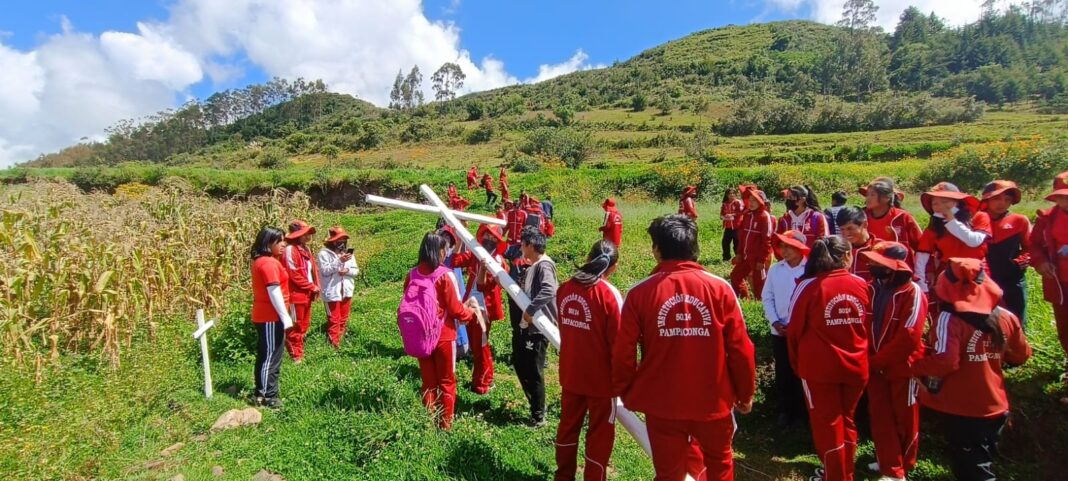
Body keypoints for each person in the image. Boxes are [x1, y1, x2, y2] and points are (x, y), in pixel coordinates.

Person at [613, 214, 756, 481]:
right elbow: (741, 349)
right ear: (694, 247)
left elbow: (623, 352)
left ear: (657, 249)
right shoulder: (720, 288)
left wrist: (627, 391)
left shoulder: (640, 292)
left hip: (663, 404)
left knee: (668, 474)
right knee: (721, 467)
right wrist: (745, 393)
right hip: (714, 401)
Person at [912, 257, 1032, 481]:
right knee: (980, 459)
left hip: (963, 407)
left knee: (973, 470)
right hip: (996, 405)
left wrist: (915, 367)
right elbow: (1021, 355)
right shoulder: (1006, 317)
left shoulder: (949, 319)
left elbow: (946, 361)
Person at [787, 236, 869, 481]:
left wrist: (798, 365)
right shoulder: (862, 284)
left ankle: (835, 476)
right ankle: (845, 472)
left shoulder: (809, 286)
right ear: (846, 256)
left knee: (828, 425)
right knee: (847, 420)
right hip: (856, 367)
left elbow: (794, 332)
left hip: (819, 370)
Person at [554, 240, 623, 481]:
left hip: (571, 373)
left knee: (567, 429)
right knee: (599, 437)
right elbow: (619, 344)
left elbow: (563, 327)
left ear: (588, 256)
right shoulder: (609, 295)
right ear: (613, 267)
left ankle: (563, 476)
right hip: (602, 382)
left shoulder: (564, 288)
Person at [860, 242, 927, 481]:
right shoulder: (871, 288)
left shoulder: (912, 292)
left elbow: (910, 335)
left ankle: (902, 467)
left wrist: (877, 360)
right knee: (880, 415)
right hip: (874, 366)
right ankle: (890, 463)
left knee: (904, 417)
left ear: (894, 267)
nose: (872, 266)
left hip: (901, 367)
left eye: (877, 263)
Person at [403, 231, 482, 430]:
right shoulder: (444, 275)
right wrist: (471, 313)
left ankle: (428, 423)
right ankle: (445, 426)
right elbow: (456, 310)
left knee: (428, 382)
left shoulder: (412, 274)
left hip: (420, 335)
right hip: (443, 336)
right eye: (444, 250)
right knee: (446, 381)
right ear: (439, 251)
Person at [762, 230, 810, 428]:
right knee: (783, 371)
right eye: (782, 246)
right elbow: (767, 297)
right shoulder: (775, 269)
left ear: (800, 249)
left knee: (802, 372)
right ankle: (784, 411)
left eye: (789, 246)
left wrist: (796, 326)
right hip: (779, 331)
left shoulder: (809, 270)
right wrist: (774, 321)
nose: (784, 250)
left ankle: (802, 413)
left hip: (802, 333)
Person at [450, 232, 508, 395]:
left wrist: (483, 268)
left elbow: (483, 285)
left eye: (493, 238)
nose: (489, 240)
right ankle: (485, 379)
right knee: (477, 346)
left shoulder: (497, 262)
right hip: (470, 307)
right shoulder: (476, 255)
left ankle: (482, 383)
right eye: (486, 236)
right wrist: (460, 237)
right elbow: (455, 261)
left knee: (480, 345)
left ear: (498, 242)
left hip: (483, 311)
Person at [512, 226, 558, 426]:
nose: (521, 247)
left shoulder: (544, 265)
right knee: (522, 364)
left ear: (530, 245)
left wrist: (530, 311)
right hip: (529, 327)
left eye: (523, 244)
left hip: (539, 329)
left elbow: (549, 289)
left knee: (534, 371)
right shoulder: (533, 266)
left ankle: (538, 415)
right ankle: (536, 406)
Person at [1029, 171, 1068, 404]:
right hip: (1059, 282)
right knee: (1065, 328)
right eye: (1063, 197)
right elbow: (1034, 245)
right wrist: (1041, 261)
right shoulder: (1047, 219)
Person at [915, 182, 991, 296]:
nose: (940, 207)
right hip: (948, 274)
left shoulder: (980, 217)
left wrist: (951, 221)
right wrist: (921, 282)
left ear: (958, 202)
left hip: (976, 272)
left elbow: (974, 241)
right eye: (935, 203)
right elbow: (922, 255)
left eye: (945, 202)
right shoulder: (934, 226)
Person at [250, 227, 294, 409]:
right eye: (280, 241)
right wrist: (285, 317)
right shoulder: (268, 263)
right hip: (270, 315)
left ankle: (260, 392)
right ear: (268, 242)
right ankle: (269, 396)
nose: (284, 244)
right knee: (271, 356)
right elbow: (273, 290)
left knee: (266, 354)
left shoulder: (263, 261)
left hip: (267, 314)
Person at [981, 180, 1031, 328]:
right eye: (996, 198)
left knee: (1016, 320)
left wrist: (1021, 261)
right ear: (986, 199)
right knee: (986, 321)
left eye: (1007, 199)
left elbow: (1030, 246)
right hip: (983, 278)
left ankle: (1018, 349)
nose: (1002, 203)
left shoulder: (1019, 221)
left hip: (1013, 278)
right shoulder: (975, 220)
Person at [861, 178, 922, 267]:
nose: (867, 198)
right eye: (867, 195)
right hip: (871, 266)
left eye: (872, 195)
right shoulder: (861, 217)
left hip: (899, 267)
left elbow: (921, 245)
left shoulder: (902, 216)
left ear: (886, 198)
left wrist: (927, 269)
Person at [283, 220, 321, 363]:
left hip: (307, 293)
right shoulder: (290, 250)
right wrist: (312, 286)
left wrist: (315, 287)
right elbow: (294, 274)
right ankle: (295, 356)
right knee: (295, 324)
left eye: (308, 234)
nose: (308, 236)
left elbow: (313, 270)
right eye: (304, 234)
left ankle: (300, 352)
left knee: (304, 324)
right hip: (295, 294)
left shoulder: (306, 249)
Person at [317, 226, 359, 349]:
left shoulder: (348, 254)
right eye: (339, 240)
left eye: (343, 239)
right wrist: (339, 261)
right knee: (334, 319)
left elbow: (356, 271)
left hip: (346, 291)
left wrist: (347, 270)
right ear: (332, 241)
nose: (342, 242)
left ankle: (340, 340)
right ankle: (333, 345)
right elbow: (324, 271)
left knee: (344, 318)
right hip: (332, 292)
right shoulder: (323, 253)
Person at [730, 189, 773, 300]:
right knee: (735, 276)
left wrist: (762, 260)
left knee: (759, 284)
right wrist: (739, 253)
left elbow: (767, 240)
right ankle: (744, 299)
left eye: (755, 200)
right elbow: (742, 237)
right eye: (750, 200)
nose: (751, 203)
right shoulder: (748, 215)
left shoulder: (765, 216)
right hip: (745, 257)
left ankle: (761, 306)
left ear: (761, 202)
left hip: (757, 258)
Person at [777, 185, 828, 249]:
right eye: (787, 198)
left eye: (791, 197)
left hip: (811, 257)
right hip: (789, 258)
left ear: (802, 199)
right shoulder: (784, 219)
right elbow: (778, 242)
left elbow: (823, 242)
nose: (788, 201)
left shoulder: (817, 217)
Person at [836, 206, 877, 282]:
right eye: (842, 229)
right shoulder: (838, 250)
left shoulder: (880, 249)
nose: (846, 234)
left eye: (850, 228)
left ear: (865, 224)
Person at [720, 188, 744, 262]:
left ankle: (738, 258)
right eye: (730, 194)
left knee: (737, 243)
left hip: (737, 226)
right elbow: (721, 214)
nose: (731, 195)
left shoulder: (738, 202)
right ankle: (726, 258)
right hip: (728, 227)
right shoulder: (725, 204)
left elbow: (741, 212)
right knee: (725, 242)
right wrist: (724, 217)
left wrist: (732, 215)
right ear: (727, 195)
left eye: (733, 193)